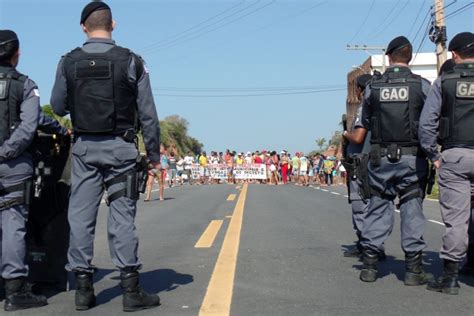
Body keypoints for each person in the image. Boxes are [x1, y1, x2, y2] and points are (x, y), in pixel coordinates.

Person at [50, 2, 161, 311]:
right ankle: (131, 290)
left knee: (80, 218)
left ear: (84, 27)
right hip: (122, 151)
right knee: (122, 218)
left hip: (85, 149)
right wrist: (153, 158)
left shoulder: (67, 63)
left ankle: (83, 290)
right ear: (114, 24)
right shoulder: (131, 61)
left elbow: (57, 107)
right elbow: (149, 116)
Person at [351, 36, 432, 285]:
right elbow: (431, 122)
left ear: (389, 57)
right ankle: (413, 270)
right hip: (412, 159)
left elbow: (362, 124)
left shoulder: (373, 88)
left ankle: (370, 267)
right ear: (410, 57)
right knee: (411, 210)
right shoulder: (423, 86)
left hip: (380, 159)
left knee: (377, 205)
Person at [0, 29, 52, 311]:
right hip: (14, 166)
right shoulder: (25, 85)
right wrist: (7, 151)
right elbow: (30, 124)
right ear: (16, 54)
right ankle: (15, 291)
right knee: (13, 226)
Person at [419, 32, 474, 295]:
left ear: (453, 55)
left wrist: (434, 155)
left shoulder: (445, 81)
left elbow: (427, 123)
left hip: (455, 156)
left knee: (457, 220)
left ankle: (450, 278)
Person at [343, 74, 393, 259]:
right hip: (379, 160)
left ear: (359, 89)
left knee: (360, 204)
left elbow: (358, 137)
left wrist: (345, 133)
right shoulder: (383, 104)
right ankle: (375, 243)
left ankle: (368, 246)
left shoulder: (365, 105)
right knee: (378, 203)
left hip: (362, 161)